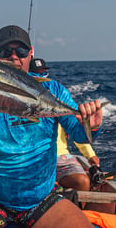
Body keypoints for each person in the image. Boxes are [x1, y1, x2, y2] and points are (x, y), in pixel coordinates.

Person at [0, 25, 103, 228]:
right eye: (4, 51)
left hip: (40, 198)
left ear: (31, 53)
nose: (14, 57)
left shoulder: (53, 90)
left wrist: (92, 126)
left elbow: (79, 133)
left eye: (20, 51)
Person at [29, 58, 100, 192]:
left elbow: (74, 129)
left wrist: (90, 154)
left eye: (42, 73)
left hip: (60, 156)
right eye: (34, 73)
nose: (38, 76)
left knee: (83, 181)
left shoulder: (55, 94)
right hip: (31, 158)